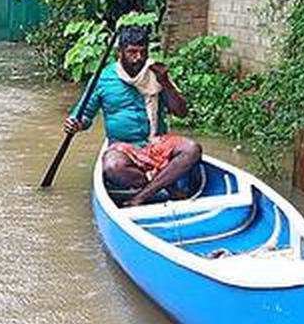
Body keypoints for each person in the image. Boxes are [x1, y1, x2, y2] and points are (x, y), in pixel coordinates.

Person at [63, 25, 202, 205]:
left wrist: (165, 83)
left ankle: (141, 196)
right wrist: (75, 124)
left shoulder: (156, 73)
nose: (138, 58)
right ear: (119, 53)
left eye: (143, 52)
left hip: (156, 142)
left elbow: (181, 113)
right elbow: (84, 115)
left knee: (192, 149)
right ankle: (167, 185)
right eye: (132, 52)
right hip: (123, 147)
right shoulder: (103, 79)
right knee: (113, 166)